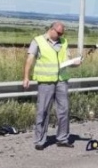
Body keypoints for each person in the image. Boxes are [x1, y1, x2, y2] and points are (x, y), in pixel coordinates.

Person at [23, 21, 78, 150]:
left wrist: (75, 63)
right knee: (43, 111)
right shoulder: (38, 41)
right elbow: (29, 59)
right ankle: (40, 140)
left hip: (61, 80)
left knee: (64, 110)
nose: (60, 35)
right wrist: (26, 77)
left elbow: (67, 60)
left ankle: (62, 138)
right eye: (58, 33)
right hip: (45, 81)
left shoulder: (64, 42)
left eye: (62, 33)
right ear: (51, 29)